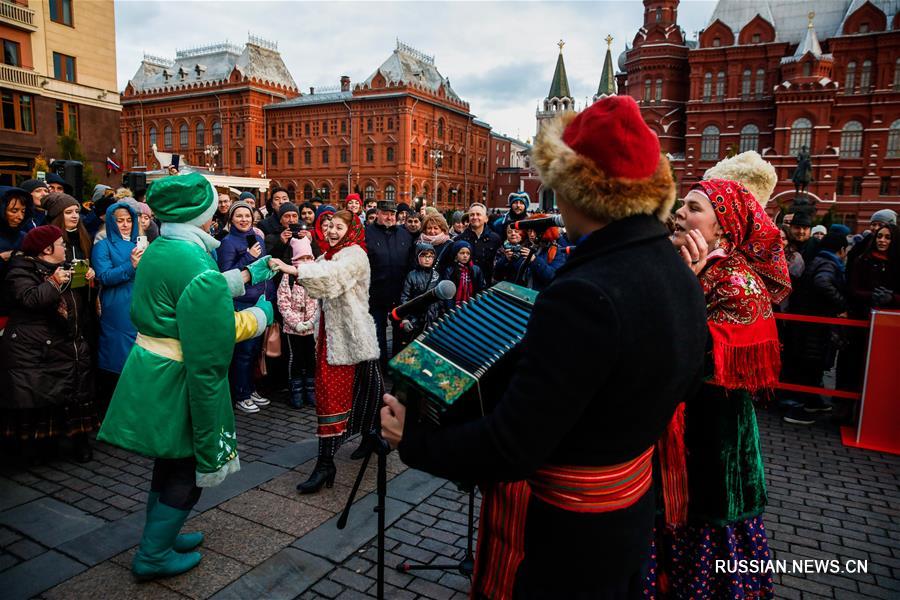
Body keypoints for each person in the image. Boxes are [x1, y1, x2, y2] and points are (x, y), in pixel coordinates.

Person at [380, 95, 707, 599]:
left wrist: (415, 442)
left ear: (578, 189)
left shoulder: (583, 292)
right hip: (630, 509)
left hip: (573, 534)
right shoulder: (679, 273)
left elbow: (514, 446)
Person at [98, 173, 275, 580]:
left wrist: (247, 275)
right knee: (188, 469)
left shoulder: (164, 246)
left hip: (153, 367)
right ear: (201, 213)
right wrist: (261, 315)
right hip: (179, 375)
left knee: (168, 459)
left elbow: (196, 290)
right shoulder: (192, 259)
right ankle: (153, 555)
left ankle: (161, 537)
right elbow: (213, 328)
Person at [665, 179, 790, 599]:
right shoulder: (683, 261)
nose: (681, 212)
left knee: (708, 523)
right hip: (679, 426)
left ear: (724, 228)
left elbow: (697, 358)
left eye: (694, 207)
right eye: (682, 204)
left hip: (715, 435)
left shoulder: (737, 281)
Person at [272, 210, 380, 494]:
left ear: (352, 229)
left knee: (358, 391)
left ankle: (354, 445)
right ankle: (327, 462)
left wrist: (294, 269)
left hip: (351, 335)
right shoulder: (329, 254)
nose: (332, 231)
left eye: (339, 227)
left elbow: (332, 280)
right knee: (343, 394)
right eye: (329, 226)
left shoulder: (354, 255)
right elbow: (319, 273)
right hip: (333, 336)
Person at [0, 225, 96, 463]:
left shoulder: (64, 268)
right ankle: (38, 449)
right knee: (43, 398)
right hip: (35, 348)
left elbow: (79, 306)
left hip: (66, 343)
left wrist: (88, 283)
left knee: (72, 393)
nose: (65, 247)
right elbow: (31, 299)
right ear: (46, 249)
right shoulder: (20, 270)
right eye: (61, 243)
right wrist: (53, 282)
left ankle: (75, 443)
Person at [782, 232, 849, 425]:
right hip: (817, 325)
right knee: (812, 366)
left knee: (808, 366)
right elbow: (822, 283)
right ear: (842, 250)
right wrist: (841, 304)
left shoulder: (818, 260)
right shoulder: (829, 263)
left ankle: (810, 402)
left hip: (809, 323)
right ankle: (799, 410)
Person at [217, 201, 271, 414]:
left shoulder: (257, 238)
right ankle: (241, 394)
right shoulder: (227, 242)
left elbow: (264, 267)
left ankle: (250, 388)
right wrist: (248, 256)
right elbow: (226, 274)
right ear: (231, 219)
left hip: (258, 300)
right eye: (238, 216)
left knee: (255, 351)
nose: (244, 219)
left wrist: (269, 294)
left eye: (247, 215)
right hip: (240, 303)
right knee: (243, 353)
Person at [92, 202, 143, 417]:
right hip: (116, 306)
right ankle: (113, 411)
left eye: (128, 220)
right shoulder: (103, 246)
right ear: (111, 221)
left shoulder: (141, 243)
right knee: (116, 356)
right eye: (119, 220)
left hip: (140, 304)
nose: (124, 224)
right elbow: (104, 276)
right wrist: (130, 266)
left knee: (138, 357)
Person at [839, 224, 900, 393]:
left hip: (889, 326)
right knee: (853, 366)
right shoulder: (862, 259)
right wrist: (871, 295)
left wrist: (892, 298)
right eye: (880, 236)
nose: (882, 240)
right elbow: (852, 289)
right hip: (860, 320)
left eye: (887, 237)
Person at [365, 200, 414, 369]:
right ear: (377, 213)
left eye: (392, 214)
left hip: (400, 292)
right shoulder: (367, 234)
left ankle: (397, 366)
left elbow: (410, 262)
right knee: (378, 332)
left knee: (399, 332)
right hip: (375, 293)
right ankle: (380, 367)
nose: (389, 217)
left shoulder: (404, 234)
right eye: (385, 213)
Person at [277, 236, 318, 408]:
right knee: (296, 358)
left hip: (310, 327)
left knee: (311, 358)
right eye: (302, 258)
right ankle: (296, 390)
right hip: (293, 328)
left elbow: (320, 302)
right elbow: (283, 303)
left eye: (308, 258)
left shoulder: (316, 277)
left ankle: (310, 389)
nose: (306, 261)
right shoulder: (288, 277)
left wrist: (311, 321)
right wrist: (296, 323)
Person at [397, 242, 442, 349]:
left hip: (433, 318)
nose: (427, 259)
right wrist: (405, 318)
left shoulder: (436, 276)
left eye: (430, 256)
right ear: (417, 257)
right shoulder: (412, 275)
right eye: (423, 255)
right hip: (415, 319)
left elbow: (441, 299)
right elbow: (405, 297)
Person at [456, 203, 501, 282]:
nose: (475, 217)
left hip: (487, 285)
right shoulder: (459, 240)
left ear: (486, 218)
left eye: (478, 214)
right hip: (465, 285)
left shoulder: (495, 239)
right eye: (472, 215)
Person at [519, 216, 566, 291]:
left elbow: (554, 277)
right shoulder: (524, 246)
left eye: (535, 231)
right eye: (529, 230)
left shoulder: (556, 251)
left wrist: (534, 260)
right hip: (521, 294)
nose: (531, 234)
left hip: (540, 297)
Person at [441, 240, 484, 307]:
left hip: (472, 305)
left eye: (468, 253)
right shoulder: (450, 270)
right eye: (462, 253)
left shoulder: (475, 270)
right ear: (456, 255)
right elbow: (447, 293)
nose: (465, 256)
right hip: (454, 306)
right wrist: (450, 308)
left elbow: (481, 289)